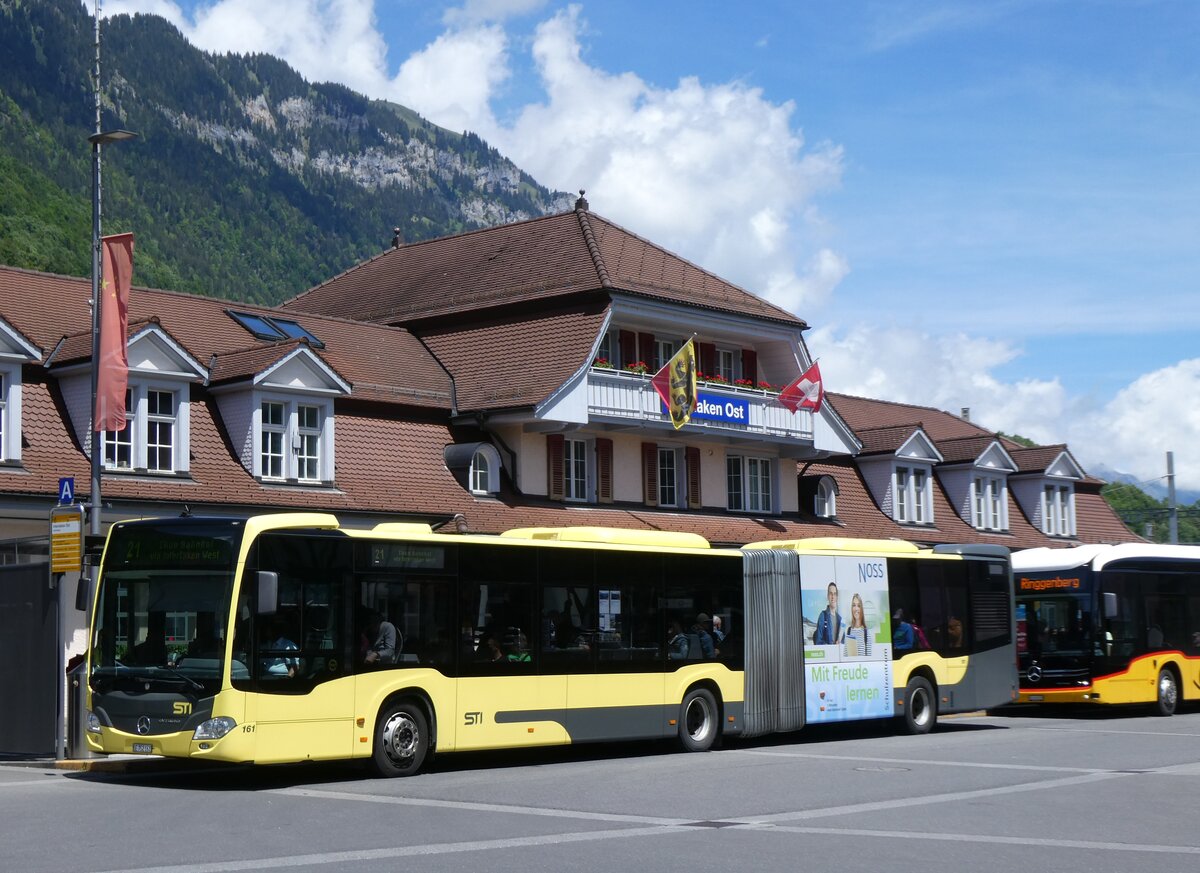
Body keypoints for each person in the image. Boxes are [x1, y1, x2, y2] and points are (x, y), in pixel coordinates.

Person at [843, 592, 871, 657]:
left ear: (861, 609)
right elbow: (845, 656)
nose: (856, 608)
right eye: (854, 605)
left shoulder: (866, 633)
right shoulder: (849, 631)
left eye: (858, 605)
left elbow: (869, 660)